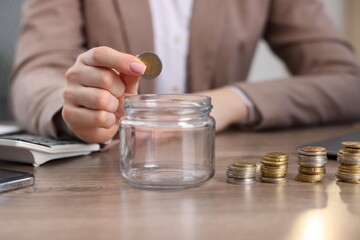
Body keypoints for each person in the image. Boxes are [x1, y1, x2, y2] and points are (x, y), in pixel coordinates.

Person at [10, 0, 360, 143]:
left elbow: (349, 84)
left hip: (218, 187)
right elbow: (34, 74)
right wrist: (73, 108)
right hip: (102, 184)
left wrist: (230, 101)